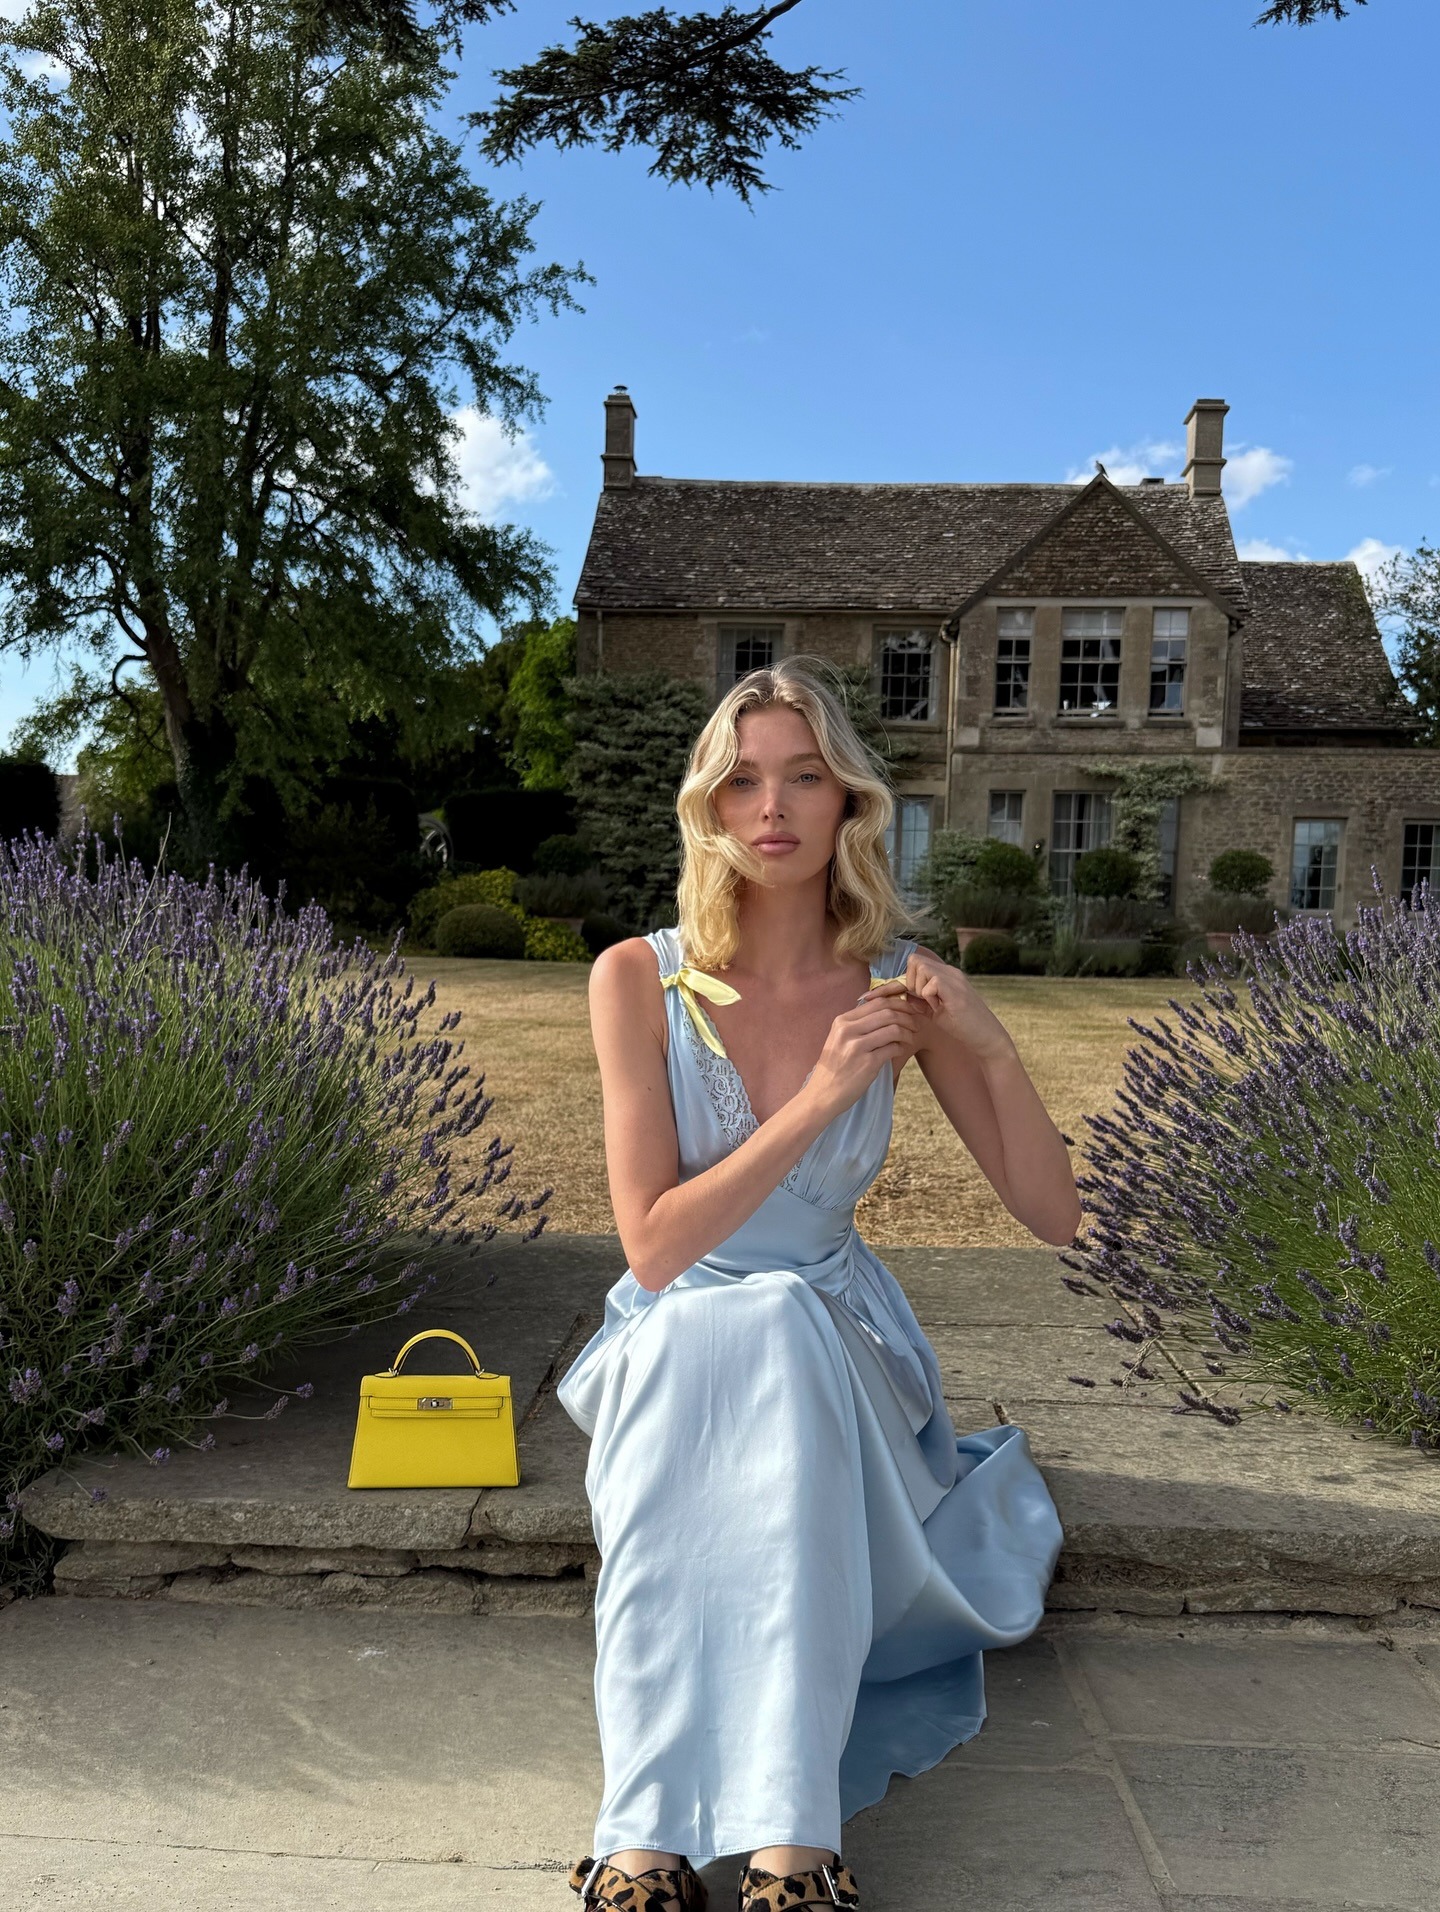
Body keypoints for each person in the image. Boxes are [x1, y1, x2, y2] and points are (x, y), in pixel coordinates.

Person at [558, 658, 1076, 1912]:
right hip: (675, 1335)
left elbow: (1056, 1215)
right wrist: (823, 1095)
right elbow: (654, 1248)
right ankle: (696, 1838)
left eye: (803, 776)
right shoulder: (637, 977)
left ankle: (733, 1842)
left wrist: (989, 1042)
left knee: (782, 1321)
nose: (772, 807)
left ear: (848, 800)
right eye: (743, 781)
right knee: (727, 1329)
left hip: (839, 1346)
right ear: (709, 805)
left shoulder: (893, 986)